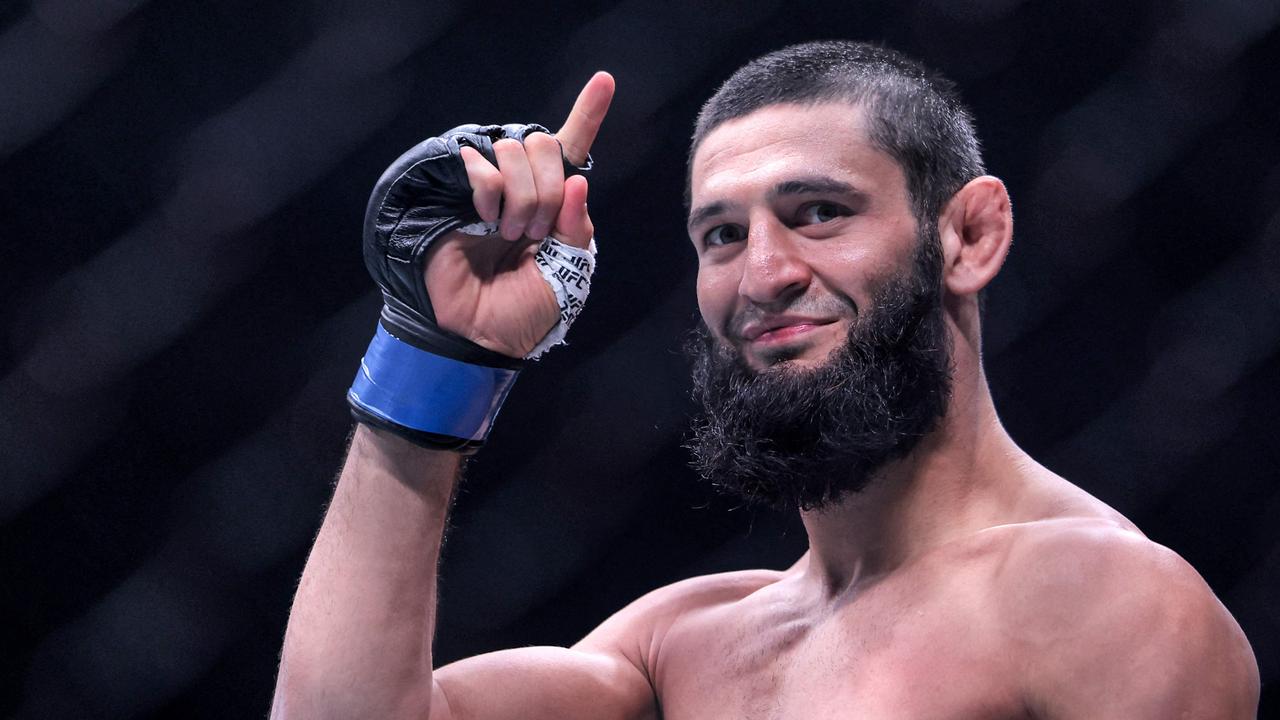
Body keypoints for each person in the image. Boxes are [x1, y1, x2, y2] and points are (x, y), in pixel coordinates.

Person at [271, 41, 1260, 719]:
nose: (762, 275)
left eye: (819, 212)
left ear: (968, 234)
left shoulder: (1098, 598)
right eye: (721, 235)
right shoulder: (680, 647)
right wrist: (434, 356)